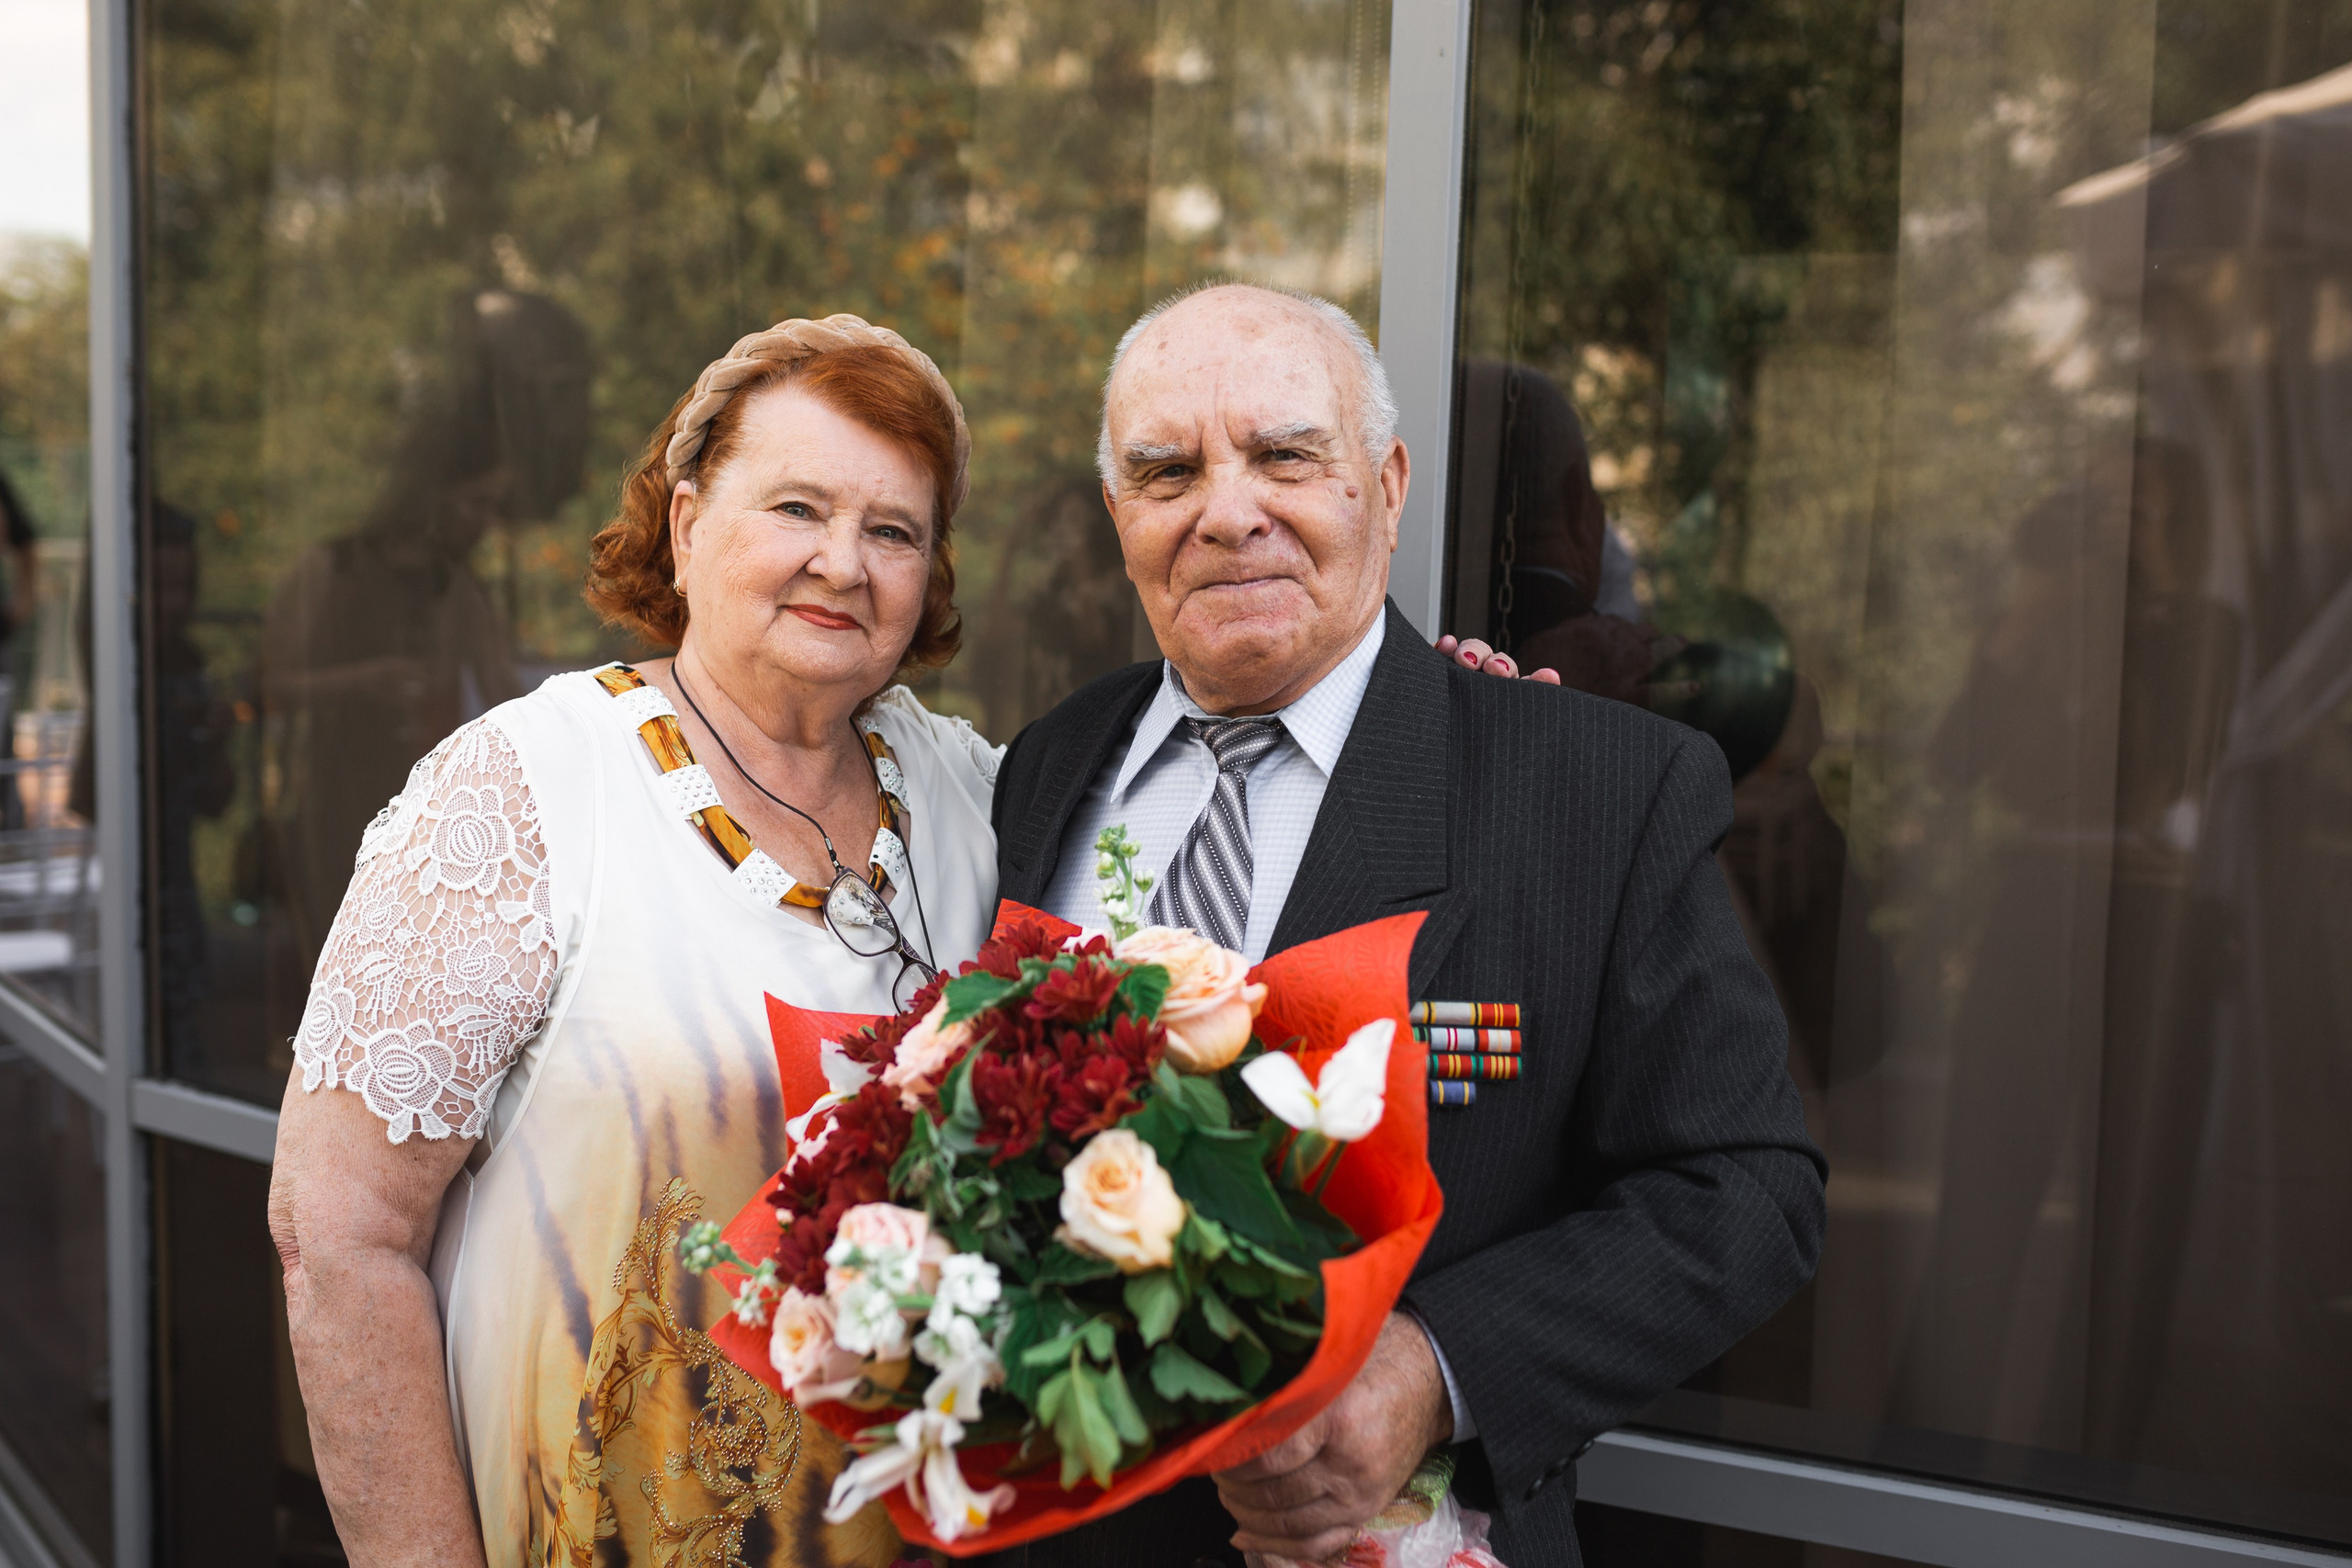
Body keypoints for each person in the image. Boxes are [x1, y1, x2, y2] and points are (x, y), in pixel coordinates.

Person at [989, 284, 1826, 1566]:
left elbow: (1746, 1191)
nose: (1228, 509)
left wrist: (1436, 1366)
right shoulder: (1044, 768)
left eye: (1283, 456)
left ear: (1384, 482)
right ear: (1121, 517)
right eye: (1167, 472)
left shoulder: (1596, 792)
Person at [267, 316, 1006, 1568]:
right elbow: (341, 1238)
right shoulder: (526, 792)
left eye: (894, 531)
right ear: (685, 520)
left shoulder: (981, 792)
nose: (843, 561)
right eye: (796, 507)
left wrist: (1436, 702)